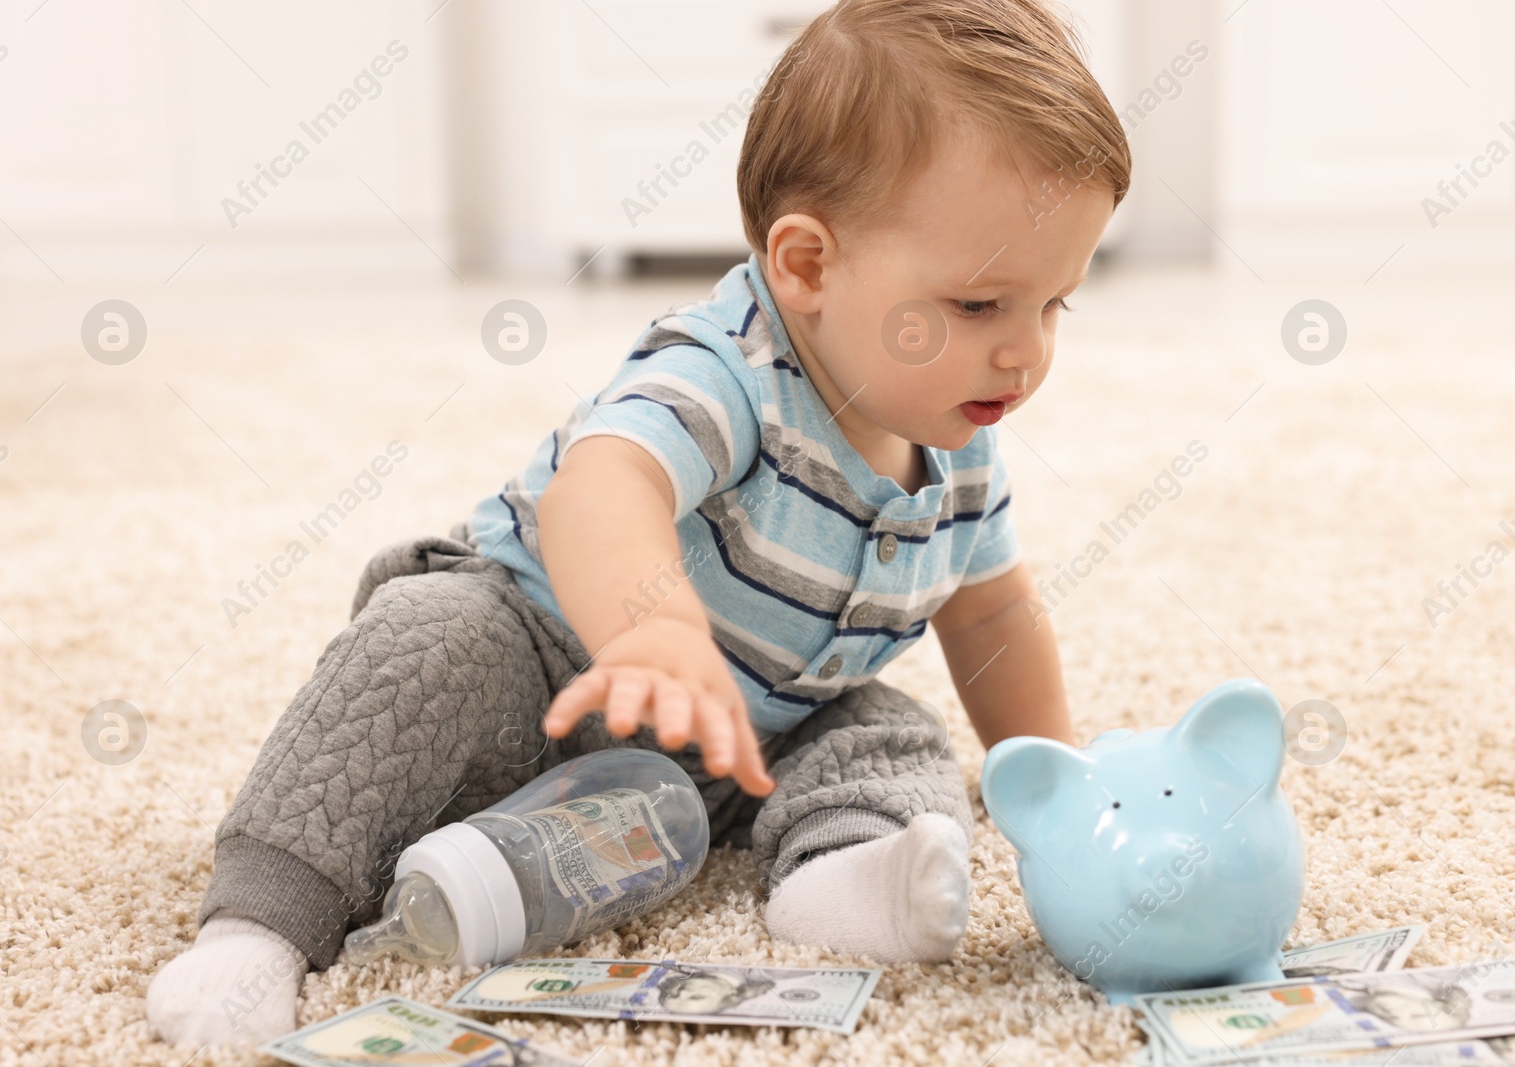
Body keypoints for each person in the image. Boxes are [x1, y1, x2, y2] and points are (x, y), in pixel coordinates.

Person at [146, 0, 1128, 1046]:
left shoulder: (959, 446)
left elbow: (992, 619)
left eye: (1055, 303)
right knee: (421, 645)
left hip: (739, 745)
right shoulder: (729, 369)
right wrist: (650, 630)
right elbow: (603, 483)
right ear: (804, 266)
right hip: (545, 665)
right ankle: (258, 925)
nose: (1024, 353)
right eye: (980, 307)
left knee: (887, 733)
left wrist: (1054, 781)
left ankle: (836, 880)